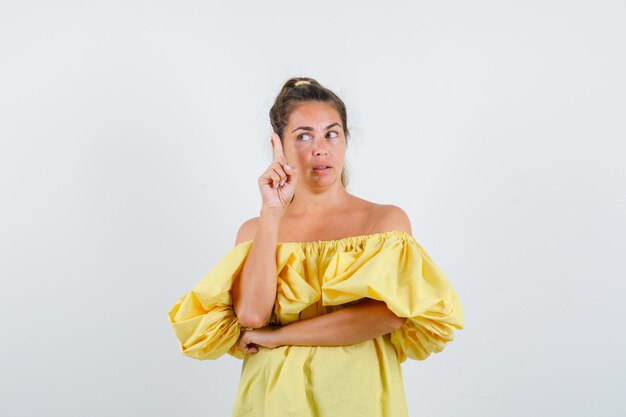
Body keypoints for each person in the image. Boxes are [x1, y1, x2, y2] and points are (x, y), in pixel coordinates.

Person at [167, 77, 464, 417]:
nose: (320, 148)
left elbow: (386, 316)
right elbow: (251, 315)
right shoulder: (257, 230)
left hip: (357, 397)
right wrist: (272, 213)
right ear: (278, 145)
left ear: (346, 140)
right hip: (275, 397)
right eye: (303, 135)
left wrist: (278, 337)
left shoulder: (384, 222)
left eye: (331, 134)